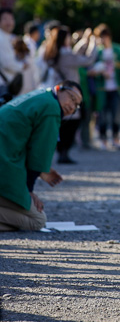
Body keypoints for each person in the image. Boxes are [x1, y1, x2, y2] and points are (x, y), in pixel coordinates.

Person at [0, 82, 83, 231]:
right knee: (37, 220)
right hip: (4, 165)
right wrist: (29, 190)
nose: (71, 106)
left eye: (76, 105)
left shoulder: (42, 96)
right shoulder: (52, 108)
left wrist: (40, 171)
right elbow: (40, 153)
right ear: (59, 89)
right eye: (71, 98)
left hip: (5, 158)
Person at [43, 26, 96, 163]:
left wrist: (85, 40)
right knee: (71, 125)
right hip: (69, 96)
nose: (70, 38)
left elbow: (75, 54)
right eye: (68, 36)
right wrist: (93, 42)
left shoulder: (57, 53)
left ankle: (62, 153)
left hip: (60, 95)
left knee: (64, 125)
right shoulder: (66, 56)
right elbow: (88, 59)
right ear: (63, 39)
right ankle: (63, 153)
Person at [90, 24, 120, 148]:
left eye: (103, 37)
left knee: (116, 114)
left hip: (116, 87)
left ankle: (115, 138)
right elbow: (91, 67)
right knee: (102, 115)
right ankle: (103, 139)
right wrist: (100, 72)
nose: (101, 40)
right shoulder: (97, 51)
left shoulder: (118, 49)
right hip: (102, 88)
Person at [0, 8, 25, 91]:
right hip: (2, 85)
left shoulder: (8, 37)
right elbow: (7, 63)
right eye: (5, 19)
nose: (9, 22)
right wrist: (22, 66)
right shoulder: (1, 38)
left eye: (11, 19)